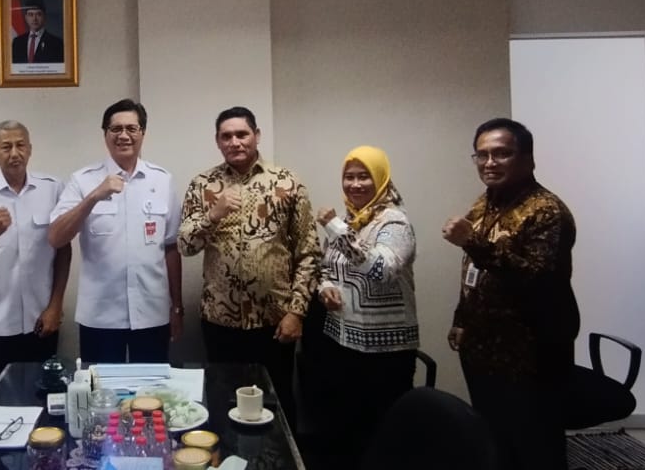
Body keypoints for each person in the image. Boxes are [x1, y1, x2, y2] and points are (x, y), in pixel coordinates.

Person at [445, 118, 578, 470]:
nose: (490, 163)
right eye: (482, 155)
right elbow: (474, 274)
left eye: (502, 154)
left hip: (530, 353)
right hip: (482, 348)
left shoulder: (545, 211)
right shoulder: (485, 203)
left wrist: (473, 242)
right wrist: (461, 319)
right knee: (495, 444)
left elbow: (536, 279)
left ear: (527, 159)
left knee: (536, 448)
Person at [178, 106, 315, 421]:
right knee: (223, 400)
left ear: (257, 136)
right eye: (226, 136)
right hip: (220, 322)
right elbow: (185, 246)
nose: (235, 142)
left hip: (274, 321)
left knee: (277, 402)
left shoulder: (287, 182)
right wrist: (213, 214)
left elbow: (308, 251)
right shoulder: (202, 184)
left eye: (242, 134)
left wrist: (296, 312)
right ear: (218, 141)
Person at [301, 145, 418, 462]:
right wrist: (325, 288)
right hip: (341, 345)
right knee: (343, 433)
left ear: (380, 179)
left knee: (379, 437)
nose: (355, 184)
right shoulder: (348, 220)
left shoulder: (394, 223)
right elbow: (327, 269)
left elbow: (381, 270)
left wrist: (335, 228)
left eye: (364, 177)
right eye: (349, 177)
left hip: (384, 355)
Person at [48, 98, 182, 364]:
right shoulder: (83, 179)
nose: (123, 135)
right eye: (116, 129)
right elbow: (55, 237)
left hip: (152, 312)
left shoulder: (162, 180)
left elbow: (170, 247)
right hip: (101, 315)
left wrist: (177, 306)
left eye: (132, 128)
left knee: (151, 386)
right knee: (102, 388)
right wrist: (93, 197)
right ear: (105, 134)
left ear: (143, 133)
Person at [0, 120, 70, 390]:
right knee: (0, 400)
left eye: (20, 145)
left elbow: (63, 250)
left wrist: (55, 306)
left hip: (42, 318)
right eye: (6, 147)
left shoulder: (53, 188)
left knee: (44, 397)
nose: (14, 153)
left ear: (30, 149)